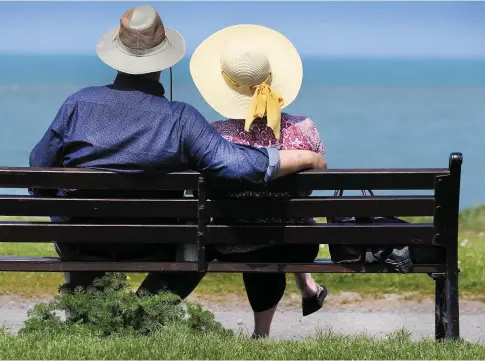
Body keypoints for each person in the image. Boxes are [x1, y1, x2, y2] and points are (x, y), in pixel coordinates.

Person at [29, 6, 326, 298]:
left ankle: (88, 307)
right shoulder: (181, 118)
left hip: (81, 240)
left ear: (116, 57)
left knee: (79, 225)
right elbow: (235, 165)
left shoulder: (77, 105)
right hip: (152, 242)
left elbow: (38, 169)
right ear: (164, 62)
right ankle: (144, 314)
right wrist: (305, 157)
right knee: (193, 239)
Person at [188, 24, 328, 337]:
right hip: (299, 246)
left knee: (255, 232)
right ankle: (267, 328)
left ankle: (262, 333)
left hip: (233, 242)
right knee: (281, 224)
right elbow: (315, 183)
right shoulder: (305, 129)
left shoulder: (214, 135)